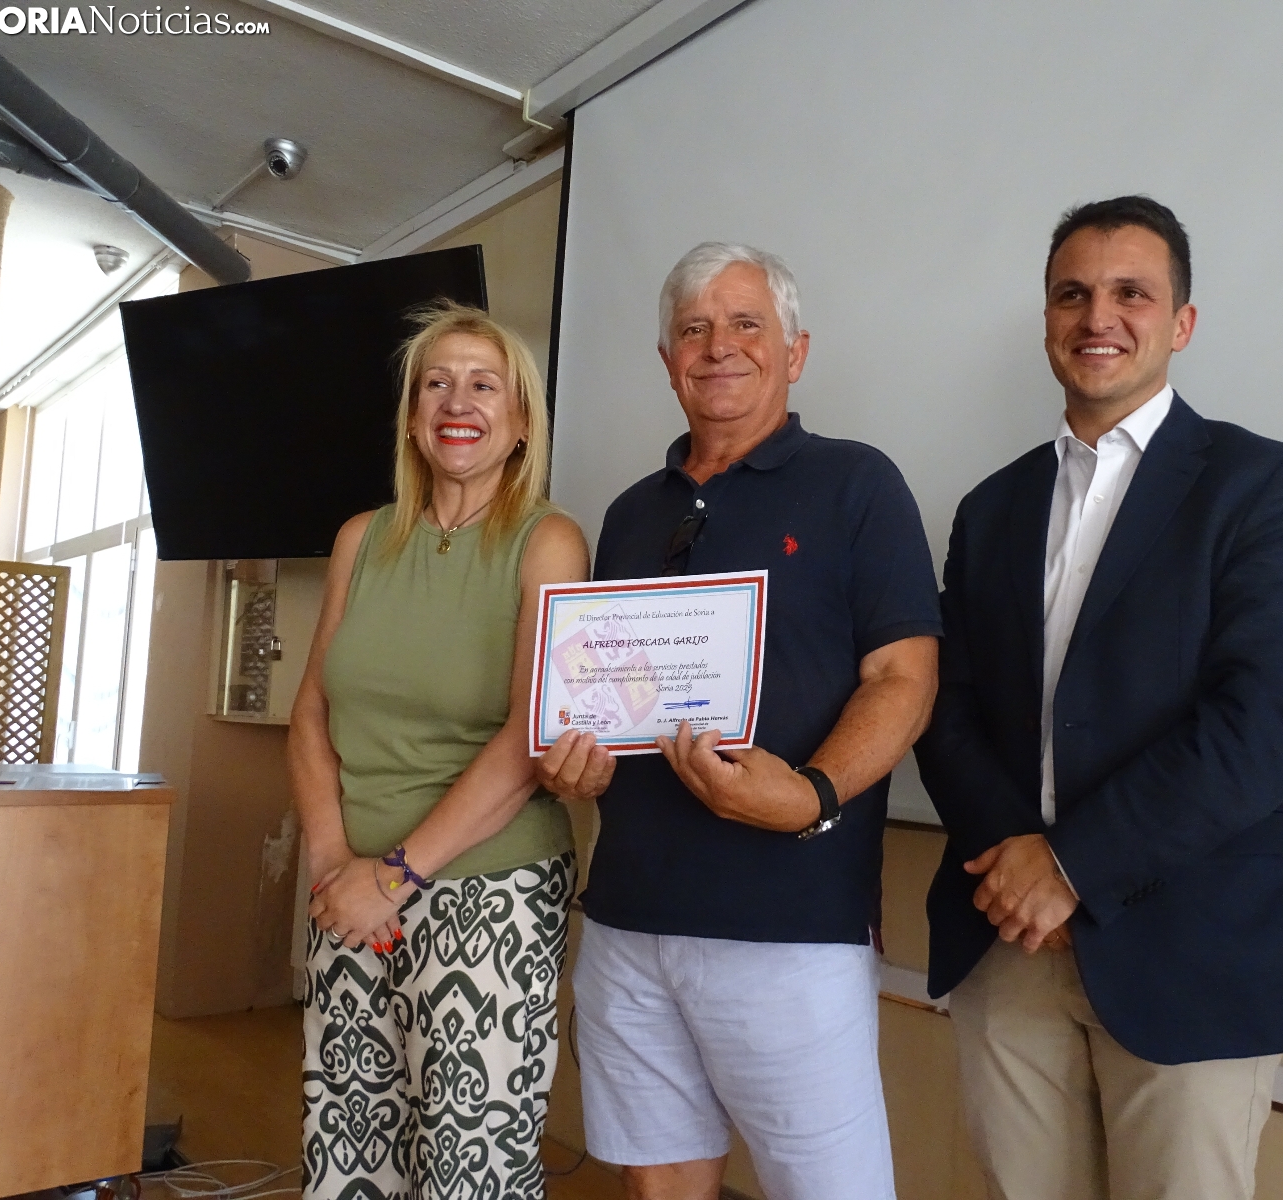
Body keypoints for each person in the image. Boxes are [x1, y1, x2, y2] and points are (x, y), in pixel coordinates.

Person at [915, 196, 1283, 1200]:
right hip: (1007, 937)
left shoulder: (1264, 485)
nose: (1096, 316)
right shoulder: (990, 507)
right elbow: (946, 703)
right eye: (1072, 294)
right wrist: (1018, 864)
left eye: (1130, 293)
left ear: (1180, 323)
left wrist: (1071, 865)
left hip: (1193, 942)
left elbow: (1266, 723)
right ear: (1047, 320)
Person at [539, 242, 940, 1200]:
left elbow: (905, 676)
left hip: (790, 929)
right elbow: (606, 699)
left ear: (795, 351)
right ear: (668, 359)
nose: (719, 346)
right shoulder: (628, 514)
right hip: (627, 920)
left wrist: (812, 795)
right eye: (694, 328)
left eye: (746, 324)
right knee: (661, 1184)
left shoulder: (858, 484)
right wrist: (574, 763)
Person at [290, 301, 590, 1200]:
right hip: (349, 890)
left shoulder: (549, 541)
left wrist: (395, 876)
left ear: (521, 421)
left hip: (489, 888)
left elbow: (528, 735)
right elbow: (311, 713)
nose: (458, 402)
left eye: (484, 385)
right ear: (414, 417)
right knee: (348, 1151)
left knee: (468, 1169)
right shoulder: (361, 539)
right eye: (437, 384)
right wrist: (335, 863)